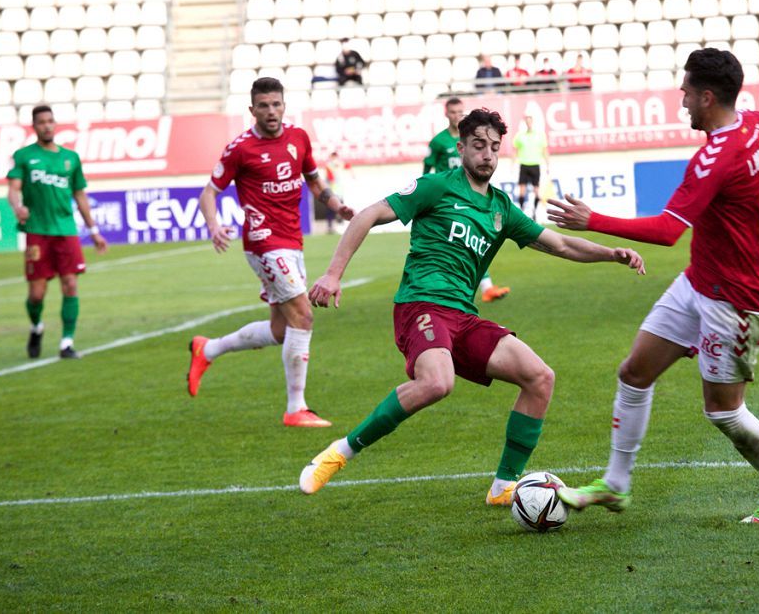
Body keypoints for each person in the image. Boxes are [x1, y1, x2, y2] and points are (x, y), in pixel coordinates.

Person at [547, 49, 759, 523]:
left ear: (708, 96)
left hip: (736, 300)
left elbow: (666, 231)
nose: (682, 101)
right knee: (634, 373)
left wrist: (592, 219)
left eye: (686, 93)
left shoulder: (714, 158)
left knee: (722, 411)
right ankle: (615, 484)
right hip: (699, 282)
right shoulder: (757, 124)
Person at [298, 108, 646, 505]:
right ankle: (340, 451)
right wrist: (332, 274)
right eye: (479, 146)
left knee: (540, 377)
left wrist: (611, 254)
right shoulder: (437, 187)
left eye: (495, 148)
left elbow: (561, 244)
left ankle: (503, 487)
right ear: (461, 147)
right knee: (437, 382)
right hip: (421, 306)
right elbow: (369, 214)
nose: (487, 155)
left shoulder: (500, 208)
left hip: (463, 316)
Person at [186, 77, 355, 427]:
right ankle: (296, 409)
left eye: (276, 104)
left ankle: (209, 348)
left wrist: (336, 205)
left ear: (284, 105)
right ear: (252, 110)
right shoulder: (240, 149)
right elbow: (208, 193)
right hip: (263, 243)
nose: (271, 111)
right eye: (263, 105)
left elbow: (313, 180)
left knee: (282, 331)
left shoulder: (298, 138)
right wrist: (214, 226)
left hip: (292, 241)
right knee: (304, 316)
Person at [7, 105, 108, 360]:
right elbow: (14, 188)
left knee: (71, 284)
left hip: (66, 230)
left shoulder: (70, 158)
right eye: (41, 122)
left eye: (50, 121)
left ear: (55, 124)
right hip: (37, 231)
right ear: (34, 126)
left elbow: (80, 195)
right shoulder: (23, 156)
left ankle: (66, 343)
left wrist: (94, 230)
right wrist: (17, 206)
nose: (47, 126)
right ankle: (36, 326)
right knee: (37, 293)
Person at [423, 97, 511, 301]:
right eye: (453, 112)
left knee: (476, 241)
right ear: (446, 114)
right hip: (448, 199)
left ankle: (482, 287)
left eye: (460, 112)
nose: (456, 116)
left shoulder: (474, 140)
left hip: (470, 194)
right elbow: (427, 168)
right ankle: (474, 288)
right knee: (466, 243)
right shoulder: (438, 141)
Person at [513, 115, 549, 218]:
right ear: (525, 123)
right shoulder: (520, 136)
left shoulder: (539, 135)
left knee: (536, 190)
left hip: (535, 165)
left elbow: (544, 151)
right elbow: (515, 150)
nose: (528, 123)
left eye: (530, 121)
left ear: (532, 122)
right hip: (524, 164)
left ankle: (535, 212)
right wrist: (512, 164)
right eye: (527, 121)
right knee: (522, 191)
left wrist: (548, 164)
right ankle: (521, 211)